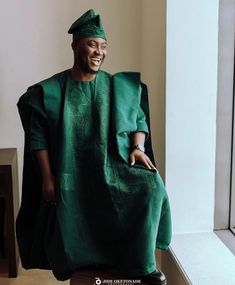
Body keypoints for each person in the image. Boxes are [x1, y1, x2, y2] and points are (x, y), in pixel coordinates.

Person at [16, 9, 172, 285]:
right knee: (68, 199)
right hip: (70, 170)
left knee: (152, 185)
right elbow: (38, 135)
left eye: (103, 46)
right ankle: (82, 261)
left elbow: (138, 118)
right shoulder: (51, 91)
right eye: (92, 44)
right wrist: (49, 178)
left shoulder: (118, 86)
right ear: (75, 45)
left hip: (112, 166)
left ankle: (141, 263)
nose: (99, 52)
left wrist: (138, 147)